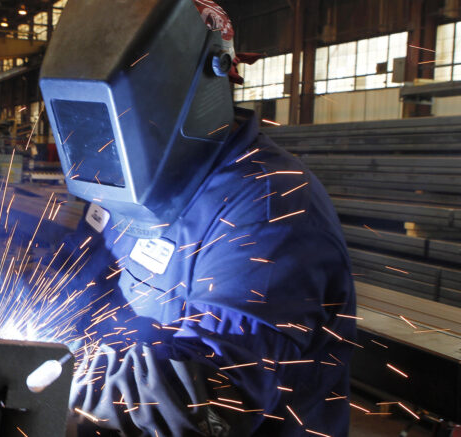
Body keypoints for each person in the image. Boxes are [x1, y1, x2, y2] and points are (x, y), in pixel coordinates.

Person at [36, 1, 356, 436]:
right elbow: (80, 273)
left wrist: (62, 379)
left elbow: (211, 400)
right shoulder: (120, 184)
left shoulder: (269, 208)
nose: (103, 143)